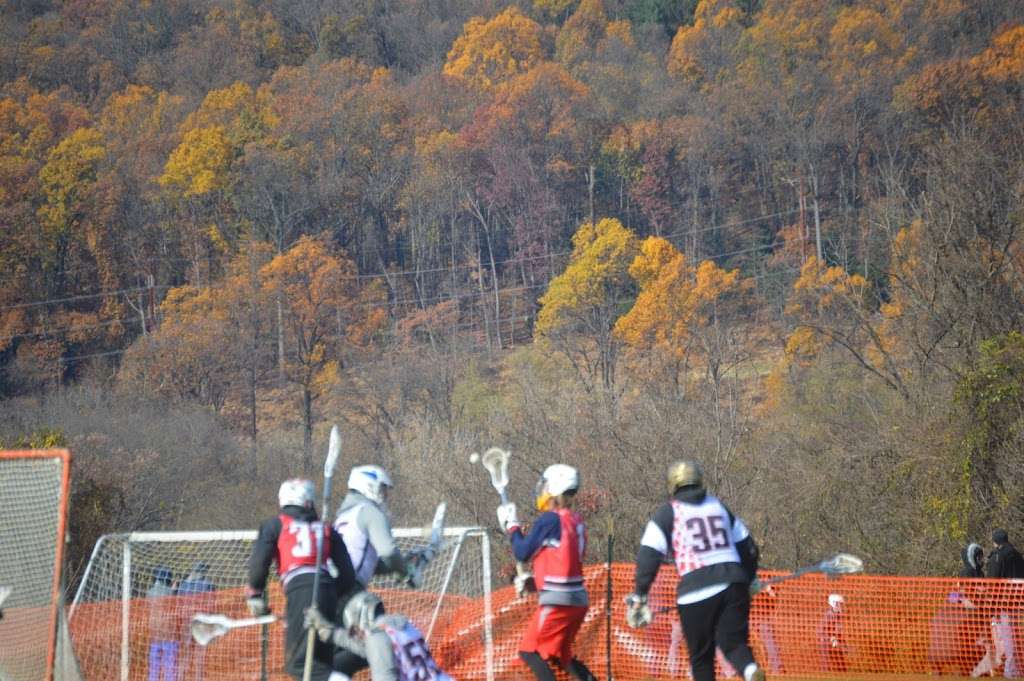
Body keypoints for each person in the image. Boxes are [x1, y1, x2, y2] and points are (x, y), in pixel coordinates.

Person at [624, 460, 764, 681]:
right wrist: (750, 577)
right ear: (699, 481)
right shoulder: (718, 506)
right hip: (734, 583)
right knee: (734, 644)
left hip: (696, 589)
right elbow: (748, 547)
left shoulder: (668, 512)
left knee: (701, 659)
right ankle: (749, 669)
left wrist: (640, 595)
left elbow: (648, 556)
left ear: (673, 485)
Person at [495, 463, 599, 681]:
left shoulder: (551, 519)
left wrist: (512, 527)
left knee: (529, 651)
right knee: (561, 656)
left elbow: (522, 552)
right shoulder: (576, 520)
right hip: (578, 599)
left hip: (558, 601)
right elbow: (565, 562)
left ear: (554, 487)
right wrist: (534, 582)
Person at [246, 478, 356, 681]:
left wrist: (255, 593)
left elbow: (259, 561)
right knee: (320, 663)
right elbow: (348, 576)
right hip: (327, 591)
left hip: (300, 589)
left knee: (298, 665)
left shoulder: (275, 525)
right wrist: (329, 594)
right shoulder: (326, 529)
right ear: (309, 502)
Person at [331, 465, 423, 681]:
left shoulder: (344, 516)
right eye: (382, 489)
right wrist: (406, 573)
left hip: (334, 595)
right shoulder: (368, 511)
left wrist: (402, 563)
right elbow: (389, 551)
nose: (384, 495)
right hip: (353, 596)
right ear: (368, 485)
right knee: (384, 645)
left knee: (342, 658)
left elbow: (369, 563)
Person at [307, 590, 453, 681]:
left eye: (355, 629)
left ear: (363, 617)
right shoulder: (402, 626)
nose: (357, 634)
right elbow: (366, 649)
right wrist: (332, 633)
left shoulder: (377, 637)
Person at [987, 529, 1024, 678]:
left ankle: (1011, 670)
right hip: (1017, 600)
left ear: (996, 541)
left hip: (1003, 602)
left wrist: (991, 600)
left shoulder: (999, 556)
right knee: (1013, 636)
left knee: (1007, 638)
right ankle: (1017, 668)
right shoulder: (1017, 555)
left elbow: (993, 580)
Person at [178, 561, 216, 680]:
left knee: (185, 652)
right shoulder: (207, 584)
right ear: (203, 572)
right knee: (200, 652)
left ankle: (181, 677)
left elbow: (179, 603)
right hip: (201, 621)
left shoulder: (183, 585)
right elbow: (211, 604)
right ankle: (198, 678)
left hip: (187, 620)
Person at [146, 566, 178, 681]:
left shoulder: (149, 593)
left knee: (154, 668)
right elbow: (173, 605)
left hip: (154, 633)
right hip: (168, 633)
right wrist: (174, 590)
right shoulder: (169, 592)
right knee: (170, 667)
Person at [817, 593, 847, 673]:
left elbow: (838, 631)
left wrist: (842, 642)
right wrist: (832, 639)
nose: (841, 606)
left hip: (834, 643)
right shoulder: (829, 615)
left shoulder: (838, 615)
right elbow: (822, 630)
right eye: (840, 604)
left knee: (841, 665)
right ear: (834, 604)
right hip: (826, 643)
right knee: (827, 666)